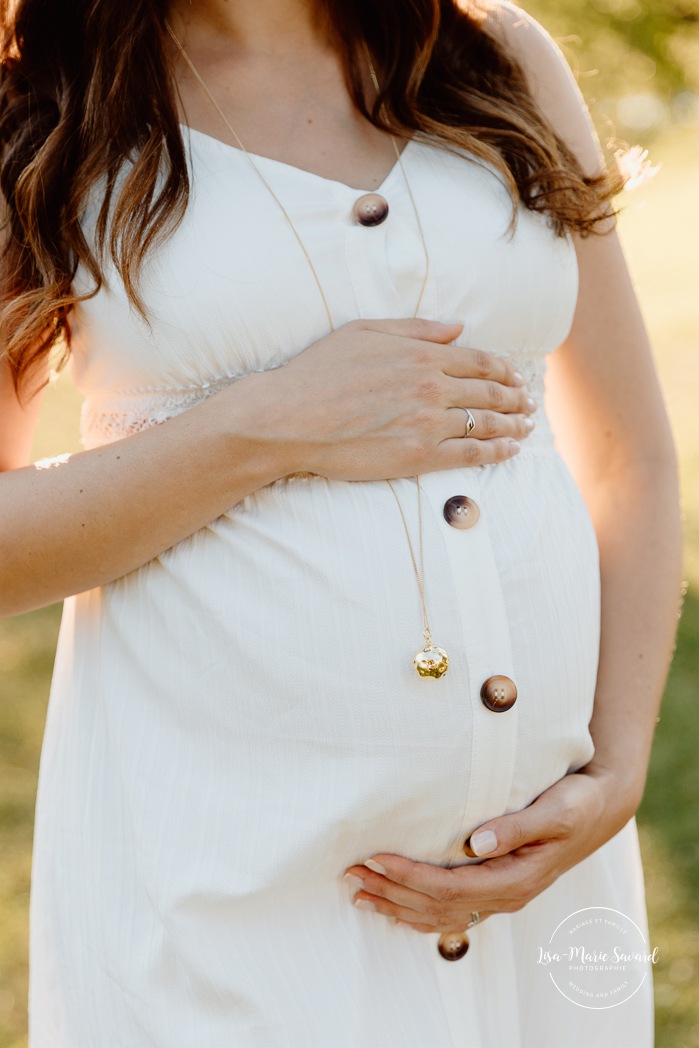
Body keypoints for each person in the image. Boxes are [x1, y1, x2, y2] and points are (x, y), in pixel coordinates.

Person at [0, 0, 683, 1044]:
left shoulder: (494, 57)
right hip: (219, 897)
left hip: (539, 887)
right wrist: (265, 425)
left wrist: (617, 771)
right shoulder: (49, 99)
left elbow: (628, 452)